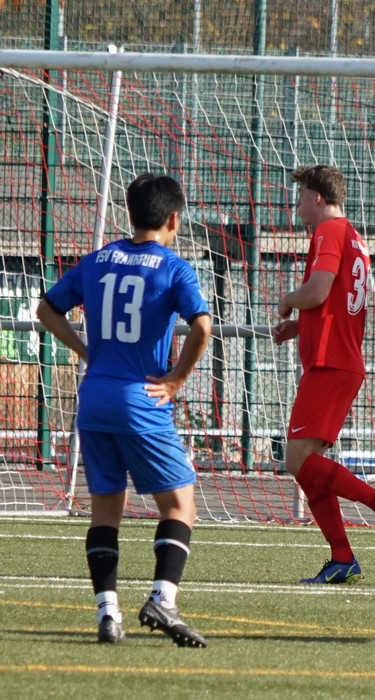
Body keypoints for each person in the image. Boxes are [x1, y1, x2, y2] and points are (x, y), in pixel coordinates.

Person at [36, 173, 212, 646]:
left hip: (94, 399)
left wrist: (86, 351)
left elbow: (46, 309)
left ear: (129, 214)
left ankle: (107, 614)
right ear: (173, 219)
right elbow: (202, 327)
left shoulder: (96, 261)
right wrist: (176, 379)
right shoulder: (174, 268)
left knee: (105, 510)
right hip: (141, 400)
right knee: (180, 504)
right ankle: (162, 598)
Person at [272, 164, 375, 584]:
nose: (297, 205)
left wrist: (288, 301)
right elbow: (336, 302)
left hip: (331, 363)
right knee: (306, 464)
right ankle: (342, 557)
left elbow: (317, 292)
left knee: (296, 460)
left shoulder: (328, 231)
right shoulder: (353, 236)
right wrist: (301, 326)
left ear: (317, 197)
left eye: (300, 197)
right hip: (339, 359)